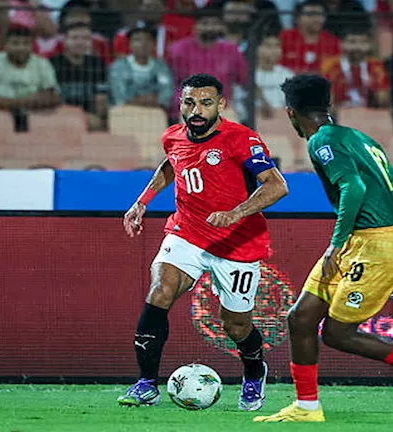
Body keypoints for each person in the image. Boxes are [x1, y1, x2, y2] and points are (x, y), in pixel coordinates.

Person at [254, 74, 393, 423]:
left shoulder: (321, 141)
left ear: (290, 112)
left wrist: (342, 242)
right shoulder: (359, 138)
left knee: (337, 334)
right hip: (367, 239)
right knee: (301, 318)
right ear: (329, 105)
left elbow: (353, 187)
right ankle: (306, 407)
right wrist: (384, 223)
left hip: (375, 248)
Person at [117, 73, 289, 411]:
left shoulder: (242, 139)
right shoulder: (172, 136)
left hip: (237, 243)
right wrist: (142, 201)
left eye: (206, 103)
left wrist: (236, 213)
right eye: (189, 102)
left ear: (221, 104)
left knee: (235, 325)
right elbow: (172, 164)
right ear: (180, 104)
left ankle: (254, 373)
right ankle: (147, 384)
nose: (196, 110)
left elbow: (276, 185)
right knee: (160, 291)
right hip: (187, 233)